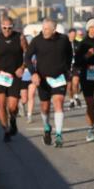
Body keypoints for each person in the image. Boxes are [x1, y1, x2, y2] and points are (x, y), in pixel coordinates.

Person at [23, 19, 72, 147]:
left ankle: (59, 135)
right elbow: (27, 57)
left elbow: (69, 54)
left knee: (58, 103)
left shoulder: (63, 40)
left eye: (46, 29)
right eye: (43, 28)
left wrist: (67, 70)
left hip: (59, 78)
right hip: (42, 79)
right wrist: (33, 73)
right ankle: (47, 127)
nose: (43, 31)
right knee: (45, 107)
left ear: (54, 30)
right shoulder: (37, 40)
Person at [0, 16, 29, 142]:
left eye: (9, 28)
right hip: (0, 75)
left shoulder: (20, 37)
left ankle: (13, 120)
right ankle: (5, 129)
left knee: (12, 106)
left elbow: (28, 54)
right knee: (0, 103)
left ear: (13, 27)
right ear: (1, 27)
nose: (6, 30)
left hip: (15, 75)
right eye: (4, 28)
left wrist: (22, 67)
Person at [67, 28, 83, 109]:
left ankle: (76, 97)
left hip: (76, 66)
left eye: (74, 35)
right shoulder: (65, 44)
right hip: (67, 67)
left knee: (75, 83)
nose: (73, 36)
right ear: (69, 34)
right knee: (69, 86)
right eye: (72, 34)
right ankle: (71, 101)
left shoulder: (78, 44)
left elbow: (81, 54)